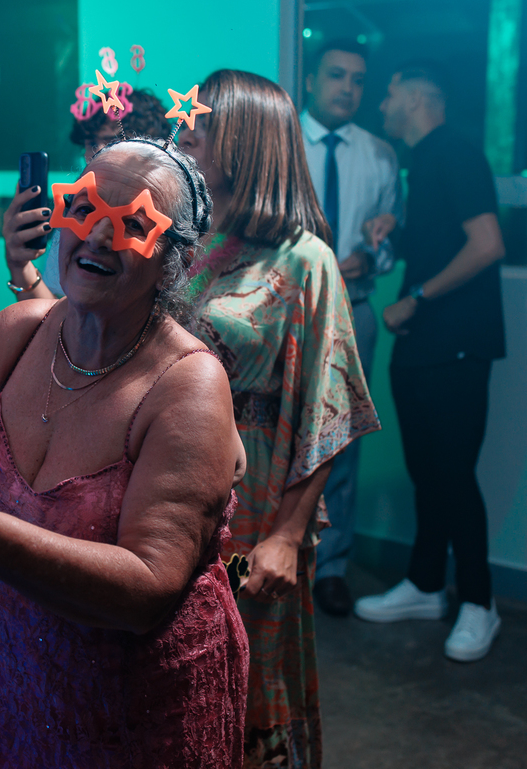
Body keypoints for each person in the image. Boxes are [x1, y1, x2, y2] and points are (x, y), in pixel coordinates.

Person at [0, 139, 250, 767]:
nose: (97, 237)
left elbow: (148, 589)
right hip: (8, 673)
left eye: (133, 224)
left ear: (177, 259)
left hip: (132, 709)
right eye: (83, 209)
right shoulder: (19, 332)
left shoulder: (188, 385)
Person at [179, 69, 381, 768]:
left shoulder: (305, 259)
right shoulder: (186, 239)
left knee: (243, 672)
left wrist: (289, 538)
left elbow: (330, 406)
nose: (183, 134)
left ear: (245, 139)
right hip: (164, 475)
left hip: (254, 494)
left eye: (199, 123)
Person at [353, 63, 507, 663]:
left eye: (389, 93)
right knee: (428, 472)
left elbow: (487, 245)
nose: (381, 104)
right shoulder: (423, 162)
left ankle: (480, 602)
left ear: (416, 98)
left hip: (456, 344)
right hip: (422, 345)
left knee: (453, 475)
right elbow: (443, 239)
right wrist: (396, 228)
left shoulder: (455, 152)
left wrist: (417, 297)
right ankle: (424, 584)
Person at [300, 38, 400, 616]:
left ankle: (331, 567)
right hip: (288, 309)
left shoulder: (380, 154)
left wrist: (373, 257)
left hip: (353, 310)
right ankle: (266, 553)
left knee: (340, 438)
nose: (347, 88)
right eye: (336, 75)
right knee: (273, 431)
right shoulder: (284, 144)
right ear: (311, 80)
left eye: (358, 80)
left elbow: (390, 239)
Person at [4, 89, 170, 300]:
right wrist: (20, 266)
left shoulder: (170, 217)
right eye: (91, 143)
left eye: (133, 224)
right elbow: (60, 311)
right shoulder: (71, 215)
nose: (97, 153)